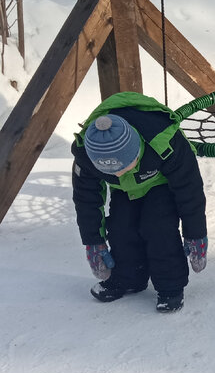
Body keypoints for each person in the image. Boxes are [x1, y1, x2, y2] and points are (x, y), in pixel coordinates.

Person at [72, 93, 208, 313]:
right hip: (124, 191)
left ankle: (170, 288)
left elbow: (189, 189)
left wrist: (196, 234)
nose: (119, 173)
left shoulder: (164, 142)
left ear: (136, 150)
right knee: (120, 228)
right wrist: (93, 242)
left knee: (158, 227)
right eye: (110, 171)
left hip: (161, 183)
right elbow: (86, 199)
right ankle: (129, 278)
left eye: (124, 166)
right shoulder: (86, 155)